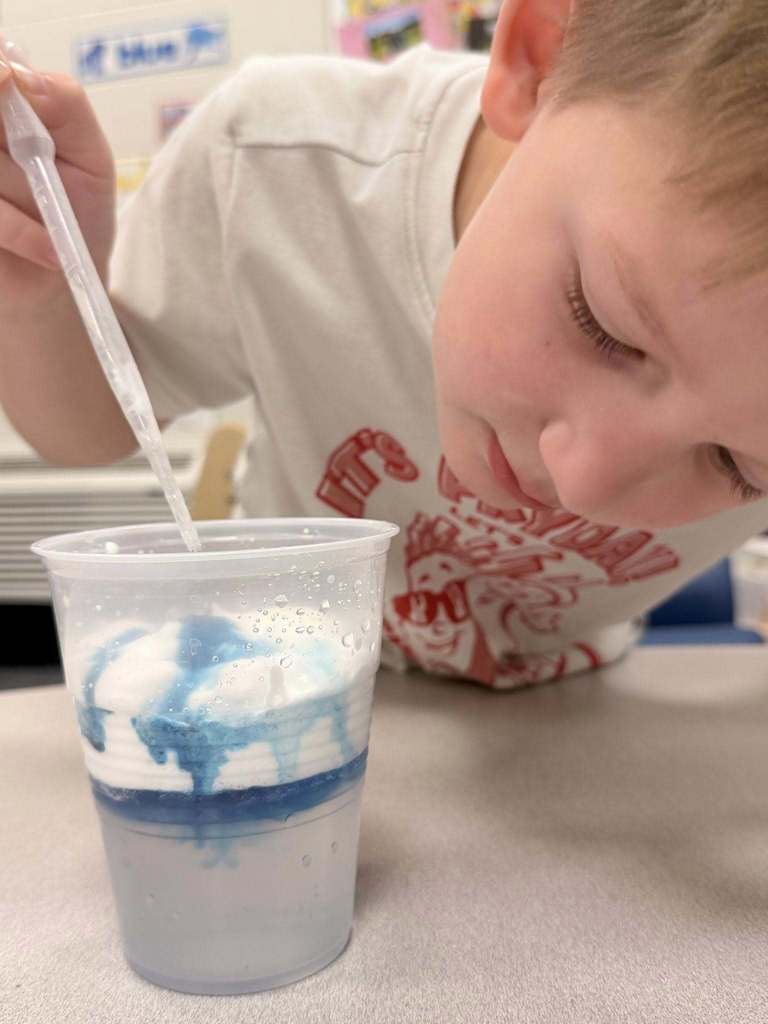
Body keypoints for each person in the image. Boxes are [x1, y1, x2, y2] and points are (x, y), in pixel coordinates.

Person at [1, 0, 767, 689]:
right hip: (269, 678)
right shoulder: (274, 164)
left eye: (738, 466)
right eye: (601, 321)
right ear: (541, 59)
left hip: (573, 718)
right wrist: (41, 294)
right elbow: (89, 428)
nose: (586, 484)